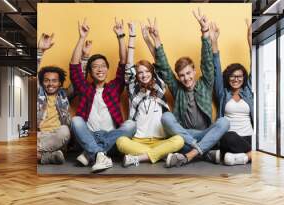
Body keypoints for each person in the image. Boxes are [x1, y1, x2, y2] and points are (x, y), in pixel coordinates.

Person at [147, 10, 230, 168]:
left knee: (224, 122)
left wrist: (205, 31)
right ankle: (204, 152)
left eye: (188, 73)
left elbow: (207, 62)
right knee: (166, 118)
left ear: (194, 71)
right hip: (185, 137)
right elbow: (164, 67)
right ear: (178, 76)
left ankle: (193, 153)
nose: (186, 78)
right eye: (182, 75)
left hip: (205, 133)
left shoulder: (205, 84)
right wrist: (156, 39)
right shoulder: (177, 89)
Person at [70, 19, 136, 172]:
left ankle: (92, 153)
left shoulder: (114, 87)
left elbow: (124, 63)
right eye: (95, 67)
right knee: (76, 121)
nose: (100, 69)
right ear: (90, 72)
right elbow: (74, 67)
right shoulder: (85, 88)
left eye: (103, 66)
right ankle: (99, 153)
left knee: (131, 124)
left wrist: (121, 37)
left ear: (107, 69)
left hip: (112, 138)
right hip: (89, 137)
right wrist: (81, 37)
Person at [116, 22, 184, 167]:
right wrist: (132, 36)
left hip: (161, 139)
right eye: (140, 72)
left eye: (147, 71)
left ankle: (139, 158)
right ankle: (162, 155)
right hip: (139, 140)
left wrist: (148, 39)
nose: (144, 75)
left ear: (152, 73)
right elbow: (128, 65)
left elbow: (161, 63)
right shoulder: (133, 88)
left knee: (179, 140)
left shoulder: (159, 85)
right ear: (137, 75)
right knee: (120, 142)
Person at [208, 20, 253, 165]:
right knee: (227, 137)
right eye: (232, 76)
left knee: (230, 152)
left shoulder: (248, 92)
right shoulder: (223, 93)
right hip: (230, 137)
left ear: (244, 78)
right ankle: (250, 156)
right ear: (227, 78)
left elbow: (254, 63)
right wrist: (214, 41)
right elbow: (216, 67)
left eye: (239, 76)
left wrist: (250, 41)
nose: (236, 79)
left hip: (248, 137)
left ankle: (239, 157)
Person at [36, 33, 71, 165]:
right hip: (40, 135)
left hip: (56, 136)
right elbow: (35, 70)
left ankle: (38, 154)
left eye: (54, 81)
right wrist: (40, 51)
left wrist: (84, 57)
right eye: (46, 81)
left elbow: (80, 79)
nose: (50, 84)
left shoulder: (65, 94)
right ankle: (48, 157)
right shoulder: (38, 93)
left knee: (65, 131)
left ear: (60, 83)